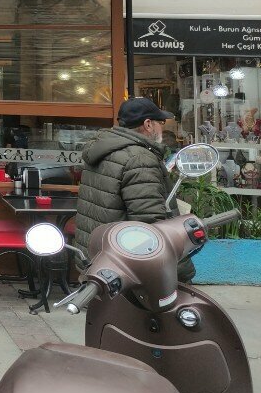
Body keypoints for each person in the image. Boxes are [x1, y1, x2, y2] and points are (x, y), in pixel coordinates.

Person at [75, 97, 195, 282]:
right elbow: (150, 222)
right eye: (160, 122)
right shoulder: (139, 159)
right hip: (126, 263)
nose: (162, 128)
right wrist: (182, 271)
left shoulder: (104, 149)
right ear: (148, 124)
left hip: (97, 257)